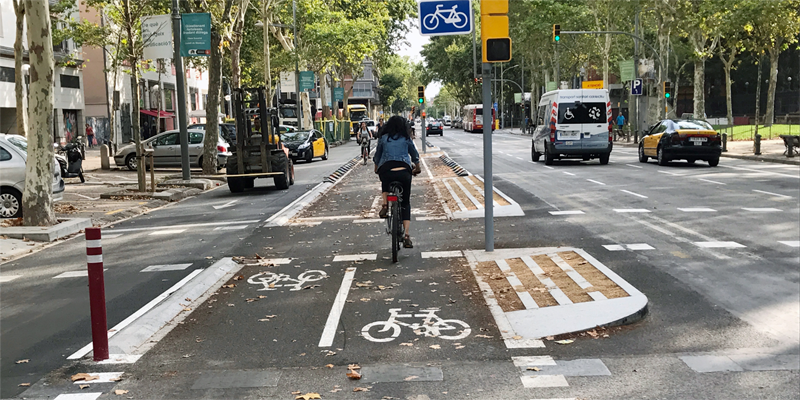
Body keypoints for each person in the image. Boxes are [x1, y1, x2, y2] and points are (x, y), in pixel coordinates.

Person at [373, 116, 420, 249]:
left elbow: (377, 156)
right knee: (405, 202)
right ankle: (406, 236)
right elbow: (414, 155)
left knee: (385, 180)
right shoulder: (406, 138)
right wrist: (417, 167)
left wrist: (377, 168)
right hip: (404, 171)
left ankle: (384, 204)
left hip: (387, 170)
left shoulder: (384, 138)